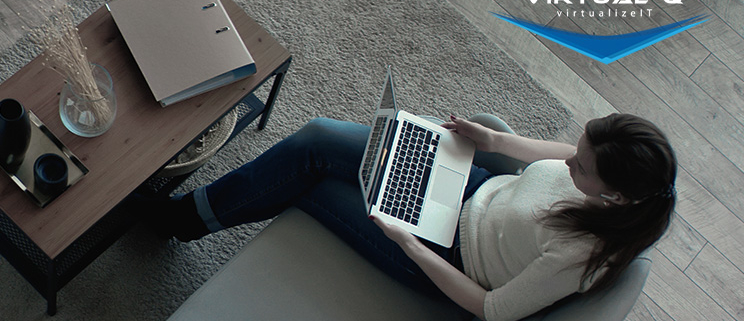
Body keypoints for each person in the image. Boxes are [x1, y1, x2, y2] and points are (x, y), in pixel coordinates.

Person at [135, 113, 676, 321]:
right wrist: (491, 140)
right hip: (473, 189)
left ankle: (178, 221)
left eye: (582, 168)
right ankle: (188, 214)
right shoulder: (603, 175)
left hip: (446, 256)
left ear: (618, 198)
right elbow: (554, 153)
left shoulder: (581, 254)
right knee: (320, 138)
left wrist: (407, 241)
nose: (569, 163)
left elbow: (491, 309)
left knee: (316, 181)